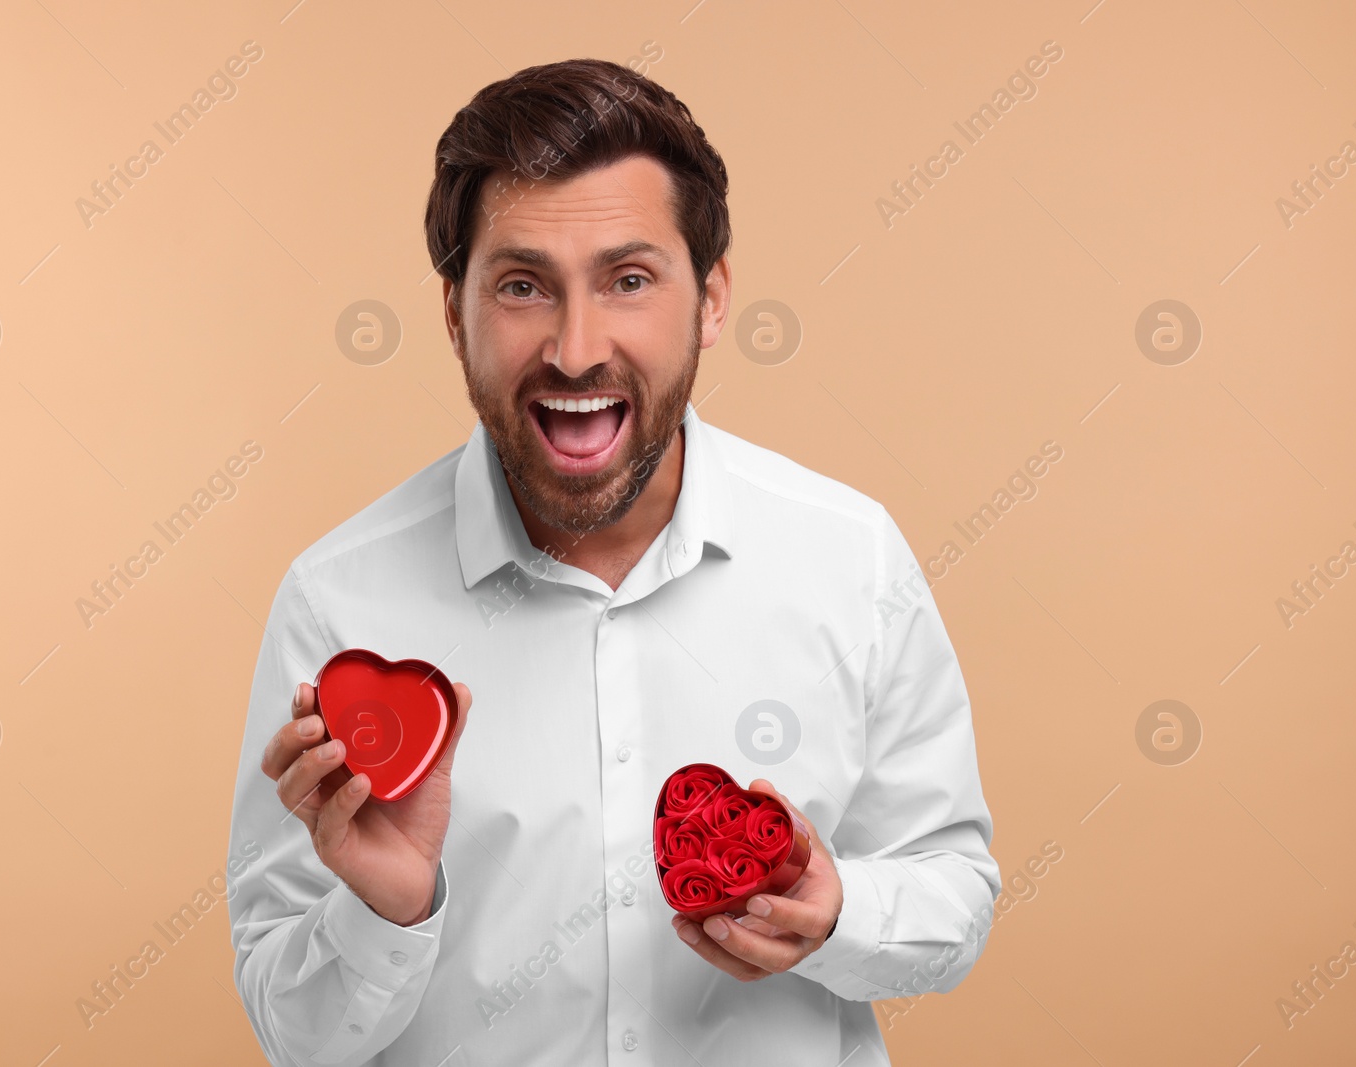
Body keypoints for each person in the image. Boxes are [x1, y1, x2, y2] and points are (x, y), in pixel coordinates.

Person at [227, 57, 1000, 1066]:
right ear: (454, 312)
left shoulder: (850, 556)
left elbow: (952, 888)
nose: (577, 347)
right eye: (521, 286)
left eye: (628, 279)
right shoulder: (338, 601)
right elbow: (296, 1039)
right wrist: (390, 905)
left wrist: (838, 910)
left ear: (711, 299)